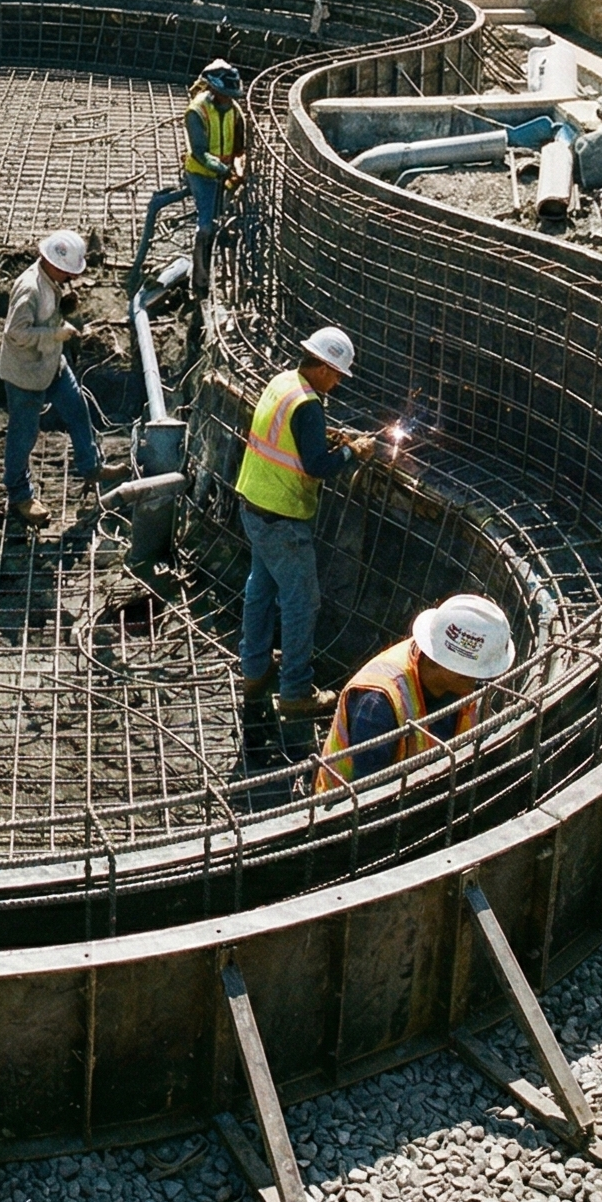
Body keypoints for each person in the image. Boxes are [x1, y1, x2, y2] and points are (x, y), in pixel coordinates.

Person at [234, 325, 392, 716]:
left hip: (253, 502)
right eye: (337, 374)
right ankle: (295, 693)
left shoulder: (284, 383)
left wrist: (322, 435)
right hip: (283, 518)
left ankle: (253, 671)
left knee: (260, 590)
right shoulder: (308, 405)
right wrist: (354, 451)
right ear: (321, 366)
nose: (338, 382)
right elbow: (318, 466)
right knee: (301, 603)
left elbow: (286, 437)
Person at [317, 595, 515, 787]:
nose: (479, 679)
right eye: (469, 673)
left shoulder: (453, 681)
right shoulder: (378, 703)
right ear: (438, 662)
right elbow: (369, 792)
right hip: (350, 811)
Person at [0, 229, 104, 528]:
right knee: (24, 436)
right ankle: (20, 495)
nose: (70, 278)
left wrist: (59, 317)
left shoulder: (50, 281)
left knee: (77, 409)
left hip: (51, 364)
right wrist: (54, 334)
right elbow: (15, 333)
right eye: (67, 273)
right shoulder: (30, 289)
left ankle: (91, 466)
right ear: (53, 263)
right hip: (26, 374)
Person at [184, 60, 244, 297]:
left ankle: (225, 269)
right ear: (214, 90)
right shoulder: (196, 112)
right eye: (226, 95)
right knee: (206, 226)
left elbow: (241, 147)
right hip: (202, 174)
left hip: (226, 173)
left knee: (226, 222)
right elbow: (199, 152)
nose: (230, 99)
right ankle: (199, 281)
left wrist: (239, 168)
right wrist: (222, 169)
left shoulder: (234, 110)